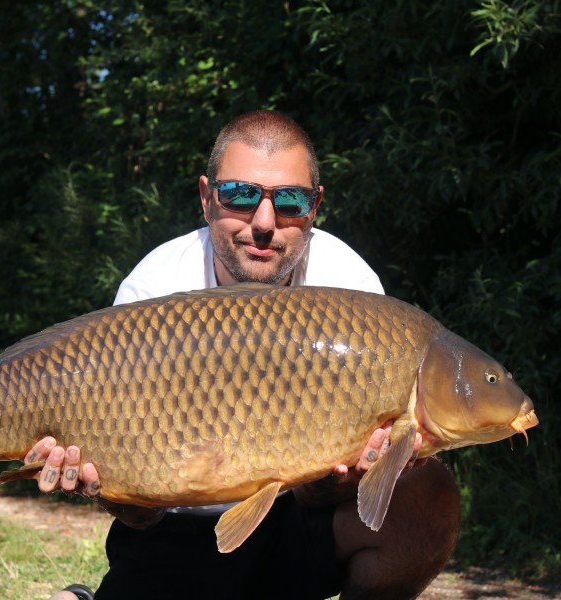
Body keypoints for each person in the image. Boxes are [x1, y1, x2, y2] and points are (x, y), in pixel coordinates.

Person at [29, 110, 461, 600]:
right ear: (206, 198)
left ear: (315, 207)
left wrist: (334, 483)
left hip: (294, 519)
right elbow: (139, 513)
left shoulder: (352, 290)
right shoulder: (153, 288)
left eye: (291, 201)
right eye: (239, 194)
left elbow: (338, 492)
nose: (263, 223)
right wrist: (110, 487)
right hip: (174, 530)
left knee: (430, 495)